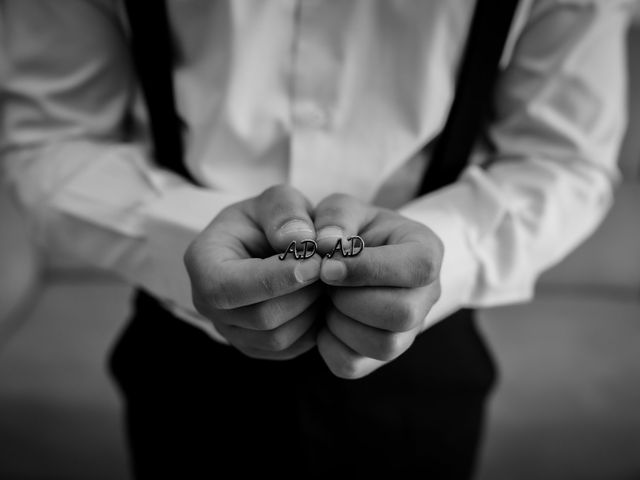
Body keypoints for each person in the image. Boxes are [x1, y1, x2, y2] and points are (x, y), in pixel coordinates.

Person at [0, 0, 633, 478]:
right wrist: (183, 234)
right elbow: (52, 137)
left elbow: (563, 158)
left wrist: (442, 249)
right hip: (182, 350)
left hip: (425, 350)